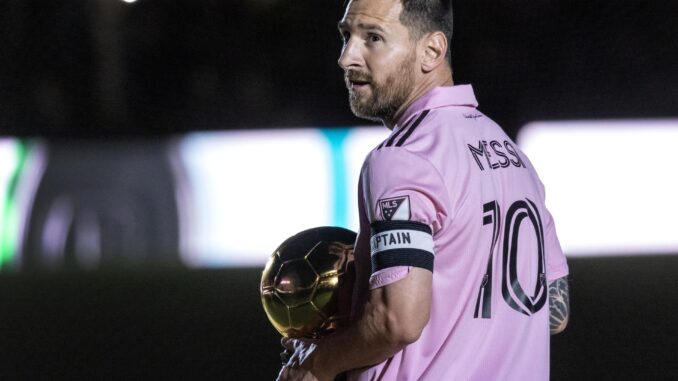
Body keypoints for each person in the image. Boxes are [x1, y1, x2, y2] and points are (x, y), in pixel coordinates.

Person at [278, 0, 570, 380]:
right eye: (346, 36)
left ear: (431, 51)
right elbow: (555, 311)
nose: (347, 57)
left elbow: (396, 322)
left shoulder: (404, 157)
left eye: (374, 38)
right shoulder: (511, 154)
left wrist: (317, 363)